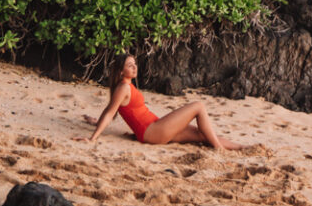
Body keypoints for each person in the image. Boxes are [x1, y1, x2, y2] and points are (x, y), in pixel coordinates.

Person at [83, 55, 242, 150]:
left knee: (203, 134)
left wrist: (97, 123)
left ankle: (242, 147)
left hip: (155, 127)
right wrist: (93, 138)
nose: (134, 67)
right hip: (153, 132)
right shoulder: (123, 87)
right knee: (198, 106)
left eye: (135, 64)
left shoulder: (126, 86)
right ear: (120, 71)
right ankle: (219, 149)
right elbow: (111, 111)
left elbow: (110, 109)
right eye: (129, 66)